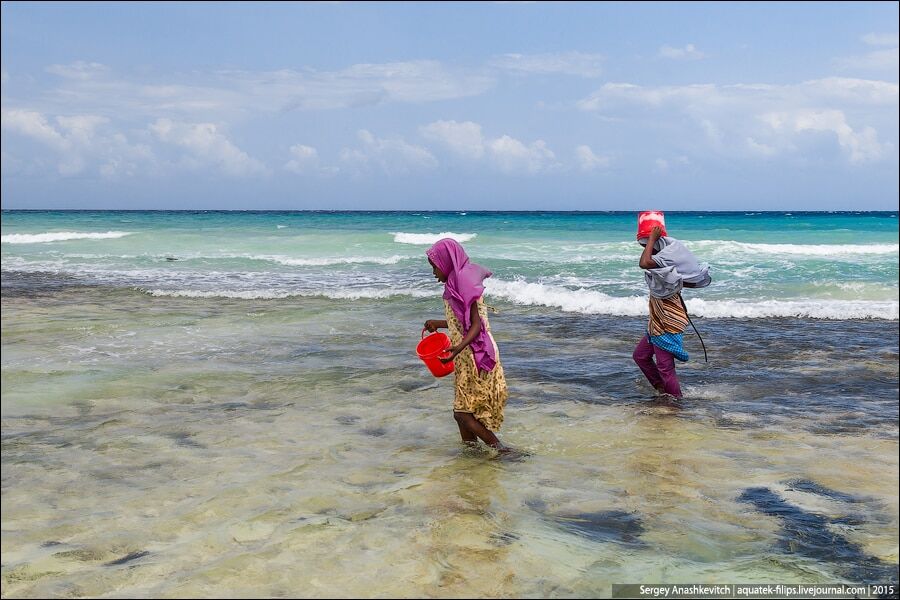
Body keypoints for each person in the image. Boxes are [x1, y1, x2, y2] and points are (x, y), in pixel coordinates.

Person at [423, 238, 512, 453]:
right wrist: (440, 324)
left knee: (461, 413)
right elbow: (462, 322)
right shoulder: (455, 283)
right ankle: (472, 455)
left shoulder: (463, 282)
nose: (434, 273)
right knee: (464, 411)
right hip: (465, 352)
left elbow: (476, 325)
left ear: (446, 261)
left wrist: (458, 347)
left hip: (474, 353)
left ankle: (501, 450)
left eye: (435, 266)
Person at [633, 222, 710, 401]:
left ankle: (675, 401)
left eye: (646, 246)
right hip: (657, 319)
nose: (646, 249)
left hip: (668, 319)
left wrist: (651, 238)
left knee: (665, 367)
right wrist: (678, 281)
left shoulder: (663, 262)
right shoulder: (665, 264)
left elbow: (643, 263)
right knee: (640, 356)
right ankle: (662, 389)